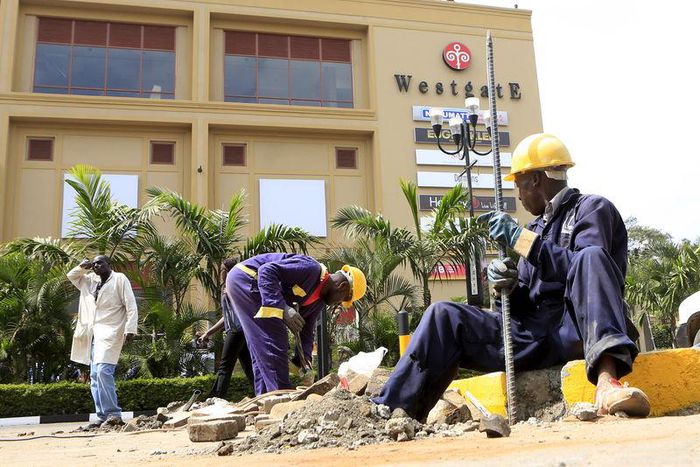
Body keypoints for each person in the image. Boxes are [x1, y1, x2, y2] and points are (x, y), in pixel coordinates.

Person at [373, 133, 650, 421]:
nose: (518, 194)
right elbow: (523, 303)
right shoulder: (536, 227)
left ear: (535, 179)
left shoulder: (591, 209)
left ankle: (607, 383)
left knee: (590, 256)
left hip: (576, 329)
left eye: (519, 184)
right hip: (533, 337)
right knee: (443, 316)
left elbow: (586, 270)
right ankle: (393, 411)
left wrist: (523, 241)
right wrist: (507, 287)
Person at [227, 253, 366, 395]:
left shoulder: (318, 301)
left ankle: (265, 400)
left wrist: (303, 362)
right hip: (247, 278)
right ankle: (280, 398)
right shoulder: (311, 269)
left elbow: (306, 328)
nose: (339, 303)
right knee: (273, 339)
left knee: (261, 348)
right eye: (342, 299)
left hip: (245, 285)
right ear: (342, 287)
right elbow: (266, 271)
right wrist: (283, 308)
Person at [68, 255, 138, 428]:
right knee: (93, 376)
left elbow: (131, 305)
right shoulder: (89, 280)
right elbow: (71, 276)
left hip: (112, 331)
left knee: (103, 372)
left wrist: (130, 329)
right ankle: (101, 416)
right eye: (94, 263)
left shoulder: (120, 279)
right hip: (93, 333)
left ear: (109, 265)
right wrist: (83, 267)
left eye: (100, 262)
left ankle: (114, 414)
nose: (97, 265)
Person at [197, 259, 254, 398]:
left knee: (225, 366)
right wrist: (208, 333)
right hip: (240, 330)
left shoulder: (234, 286)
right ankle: (262, 392)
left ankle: (216, 397)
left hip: (236, 330)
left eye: (223, 270)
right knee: (248, 366)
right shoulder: (231, 286)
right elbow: (226, 317)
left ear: (228, 271)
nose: (221, 273)